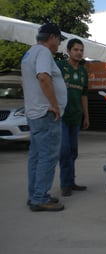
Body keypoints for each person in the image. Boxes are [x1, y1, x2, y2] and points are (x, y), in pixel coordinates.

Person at [21, 22, 67, 211]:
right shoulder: (43, 53)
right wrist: (55, 106)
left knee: (37, 156)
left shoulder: (29, 53)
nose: (58, 44)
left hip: (35, 113)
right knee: (48, 156)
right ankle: (40, 197)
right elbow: (43, 77)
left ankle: (35, 194)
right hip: (46, 114)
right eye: (58, 40)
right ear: (52, 38)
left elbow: (27, 83)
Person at [56, 38, 89, 197]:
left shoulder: (83, 71)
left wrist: (86, 116)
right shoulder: (60, 67)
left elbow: (84, 95)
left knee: (73, 151)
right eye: (76, 49)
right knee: (64, 151)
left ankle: (71, 181)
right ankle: (65, 184)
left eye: (81, 50)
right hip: (61, 116)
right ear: (68, 51)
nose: (79, 52)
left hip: (76, 116)